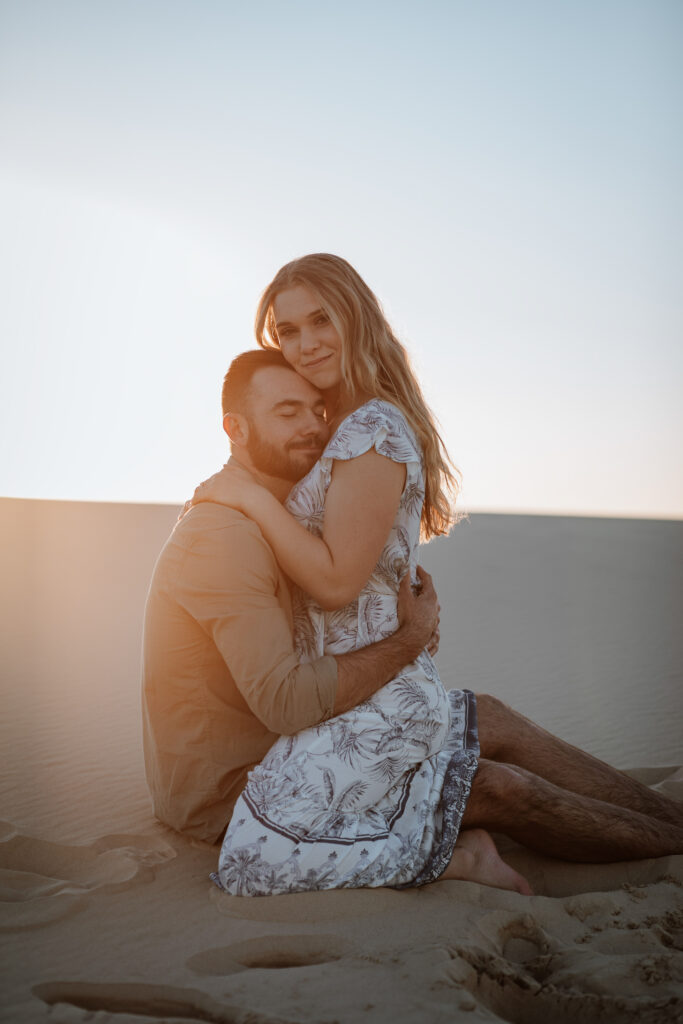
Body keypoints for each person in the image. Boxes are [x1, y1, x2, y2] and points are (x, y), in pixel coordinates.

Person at [192, 254, 683, 897]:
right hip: (374, 686)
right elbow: (371, 552)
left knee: (250, 859)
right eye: (288, 331)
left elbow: (336, 582)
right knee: (491, 730)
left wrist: (250, 500)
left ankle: (474, 850)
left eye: (321, 320)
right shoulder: (345, 425)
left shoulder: (368, 430)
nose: (305, 343)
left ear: (356, 317)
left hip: (367, 701)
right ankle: (669, 822)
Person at [142, 350, 442, 843]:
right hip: (232, 798)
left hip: (295, 750)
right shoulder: (223, 535)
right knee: (487, 783)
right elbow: (286, 702)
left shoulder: (281, 521)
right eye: (288, 413)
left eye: (318, 411)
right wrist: (408, 641)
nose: (314, 428)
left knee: (485, 718)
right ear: (235, 429)